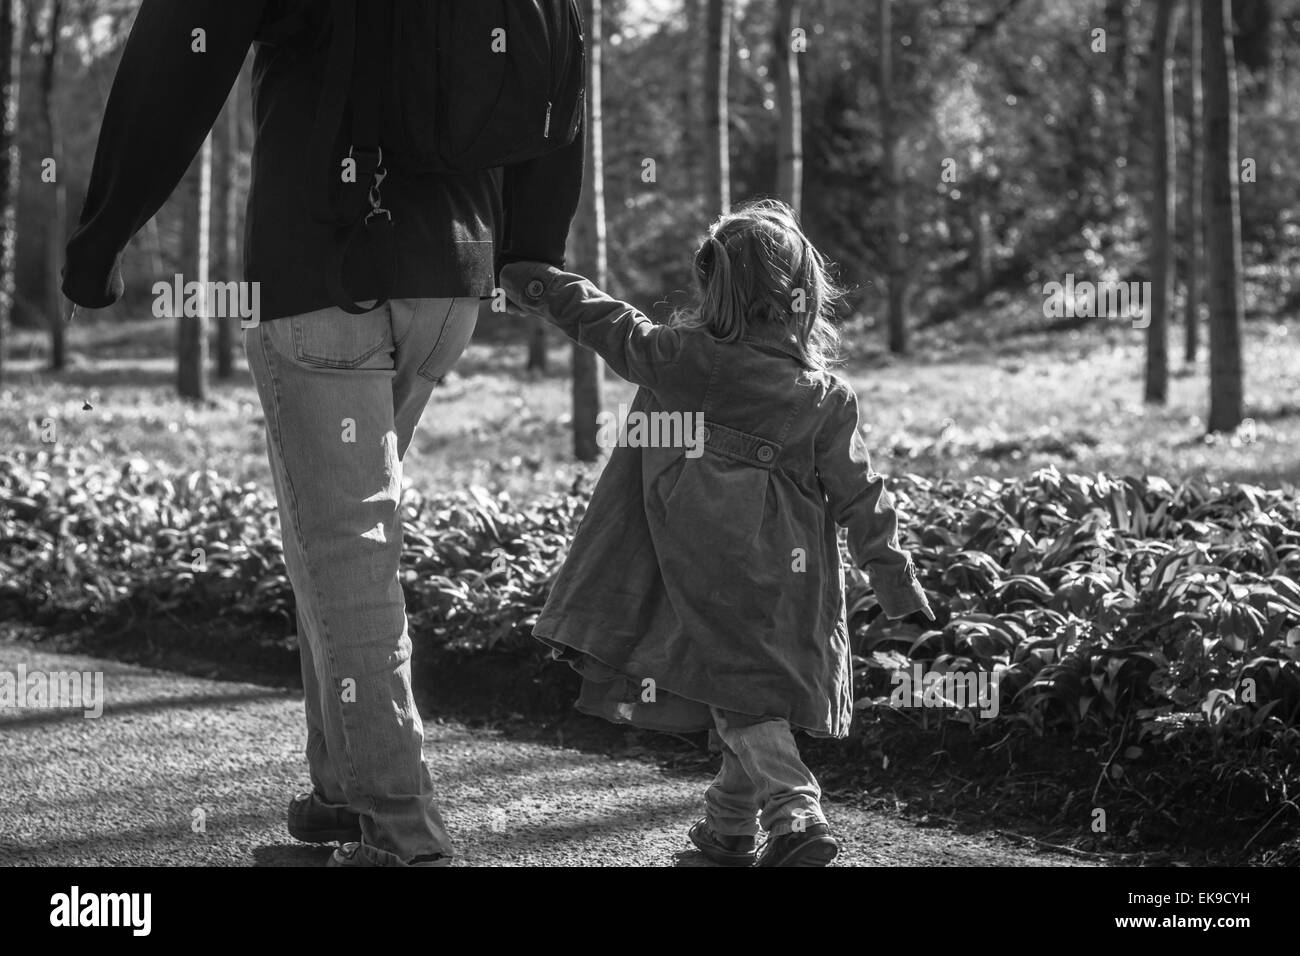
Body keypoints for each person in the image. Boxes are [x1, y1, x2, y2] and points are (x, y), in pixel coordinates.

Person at [61, 0, 584, 867]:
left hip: (324, 274)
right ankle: (344, 795)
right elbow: (558, 65)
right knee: (334, 539)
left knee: (348, 553)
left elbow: (177, 51)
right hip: (453, 280)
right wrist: (535, 243)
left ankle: (403, 833)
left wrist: (102, 237)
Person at [500, 199, 934, 867]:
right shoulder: (824, 396)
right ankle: (727, 833)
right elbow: (861, 496)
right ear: (802, 295)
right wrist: (897, 586)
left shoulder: (679, 358)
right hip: (793, 576)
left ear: (711, 282)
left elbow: (606, 322)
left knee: (739, 696)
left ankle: (794, 811)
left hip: (698, 567)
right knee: (748, 691)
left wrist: (536, 279)